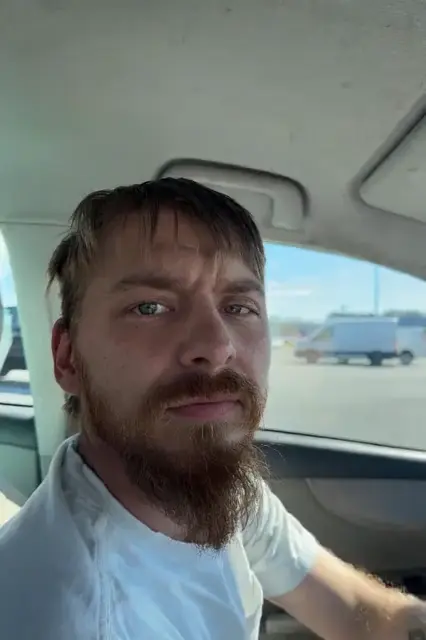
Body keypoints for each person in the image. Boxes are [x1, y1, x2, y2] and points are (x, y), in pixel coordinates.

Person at [0, 178, 425, 640]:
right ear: (67, 358)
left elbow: (357, 608)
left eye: (239, 307)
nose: (218, 346)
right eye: (149, 307)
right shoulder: (71, 617)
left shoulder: (216, 487)